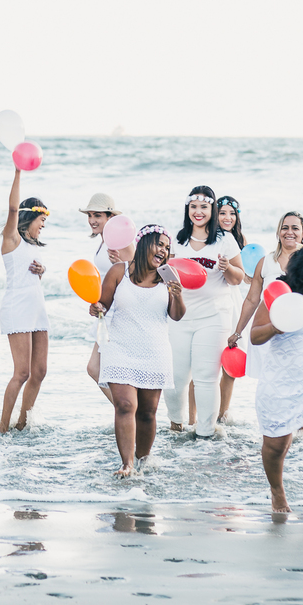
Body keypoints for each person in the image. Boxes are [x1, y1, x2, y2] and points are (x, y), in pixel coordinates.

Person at [250, 244, 303, 516]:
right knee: (276, 446)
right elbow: (255, 336)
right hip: (281, 381)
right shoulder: (280, 294)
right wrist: (275, 326)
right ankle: (277, 491)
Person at [93, 225, 185, 476]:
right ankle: (127, 465)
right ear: (144, 243)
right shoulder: (118, 271)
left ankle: (143, 460)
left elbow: (176, 315)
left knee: (147, 413)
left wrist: (177, 295)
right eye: (159, 244)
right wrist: (96, 308)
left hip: (154, 351)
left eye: (167, 247)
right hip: (119, 347)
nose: (163, 251)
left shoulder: (169, 277)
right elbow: (103, 304)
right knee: (125, 405)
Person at [164, 186, 245, 437]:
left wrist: (227, 268)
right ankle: (176, 426)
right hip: (180, 316)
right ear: (187, 209)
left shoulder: (225, 239)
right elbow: (163, 272)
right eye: (193, 207)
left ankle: (206, 433)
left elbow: (238, 278)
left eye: (204, 207)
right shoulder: (178, 240)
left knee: (206, 377)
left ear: (212, 210)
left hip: (214, 317)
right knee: (176, 376)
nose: (198, 212)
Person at [229, 212, 303, 379]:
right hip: (268, 332)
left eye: (295, 228)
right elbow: (251, 300)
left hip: (299, 334)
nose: (289, 232)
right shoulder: (265, 262)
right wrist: (237, 332)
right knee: (269, 382)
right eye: (284, 228)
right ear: (278, 233)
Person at [0, 168, 49, 433]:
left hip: (37, 310)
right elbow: (11, 209)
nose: (43, 225)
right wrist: (18, 172)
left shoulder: (34, 246)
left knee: (39, 371)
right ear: (29, 217)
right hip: (17, 310)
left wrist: (42, 270)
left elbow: (30, 275)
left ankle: (22, 424)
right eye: (41, 220)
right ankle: (2, 428)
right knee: (22, 373)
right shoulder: (12, 239)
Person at [80, 193, 127, 403]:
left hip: (119, 313)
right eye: (90, 215)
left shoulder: (121, 240)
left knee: (96, 368)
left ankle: (126, 412)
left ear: (110, 217)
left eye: (97, 215)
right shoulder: (103, 241)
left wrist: (121, 263)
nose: (92, 220)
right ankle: (126, 412)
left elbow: (137, 274)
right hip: (106, 310)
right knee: (97, 369)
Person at [213, 195, 247, 423]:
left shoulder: (239, 240)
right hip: (215, 299)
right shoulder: (210, 239)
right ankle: (201, 414)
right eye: (222, 213)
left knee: (230, 358)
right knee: (208, 362)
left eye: (232, 213)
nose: (227, 218)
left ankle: (223, 413)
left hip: (234, 299)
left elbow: (245, 276)